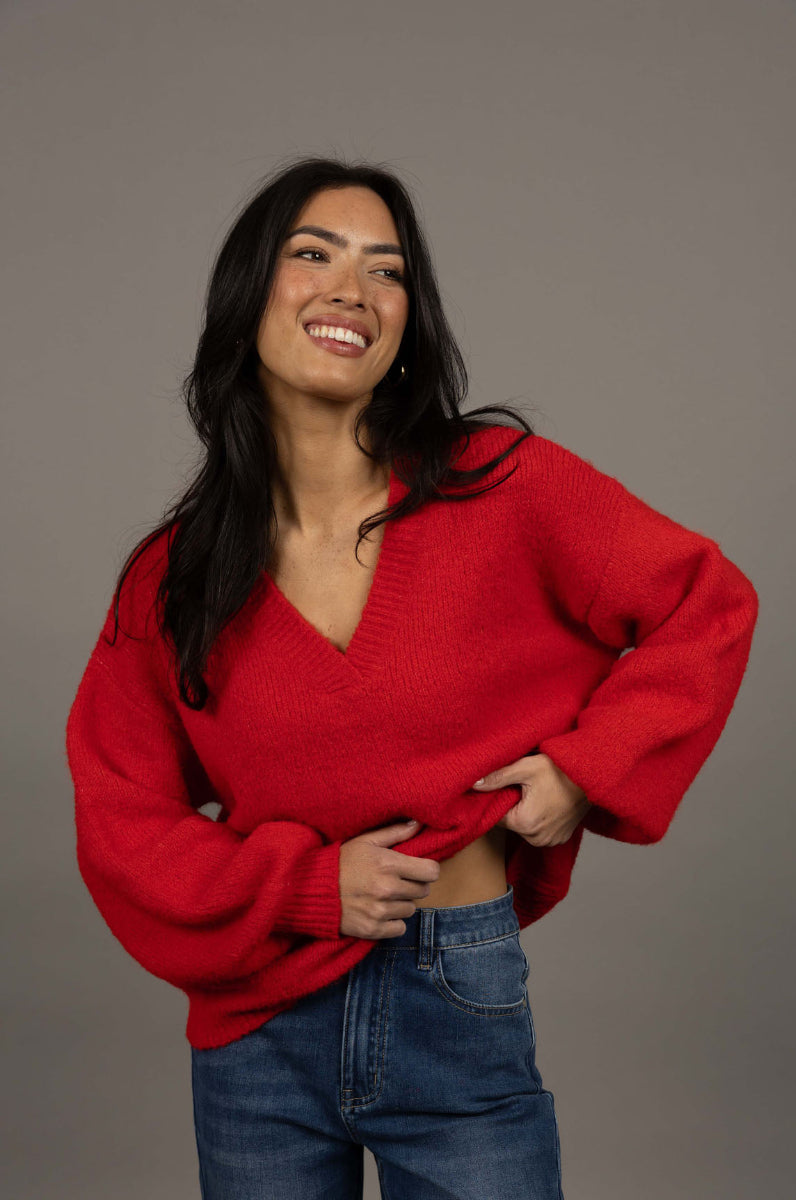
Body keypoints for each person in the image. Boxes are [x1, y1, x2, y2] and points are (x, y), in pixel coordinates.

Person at [64, 155, 759, 1200]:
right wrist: (303, 888)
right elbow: (119, 816)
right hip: (257, 1034)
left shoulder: (502, 485)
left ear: (406, 323)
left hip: (453, 989)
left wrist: (586, 769)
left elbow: (706, 604)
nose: (352, 289)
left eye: (385, 270)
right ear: (247, 294)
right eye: (313, 254)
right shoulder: (177, 574)